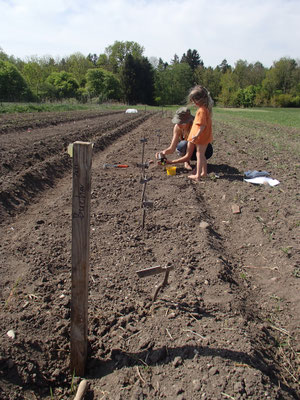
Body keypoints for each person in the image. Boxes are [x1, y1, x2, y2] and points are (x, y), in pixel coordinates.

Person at [166, 86, 213, 181]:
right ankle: (203, 173)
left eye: (193, 100)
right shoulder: (205, 110)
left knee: (199, 155)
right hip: (203, 137)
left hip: (201, 138)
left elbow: (202, 126)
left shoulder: (201, 111)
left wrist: (196, 135)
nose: (193, 103)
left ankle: (198, 175)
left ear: (198, 100)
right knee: (201, 155)